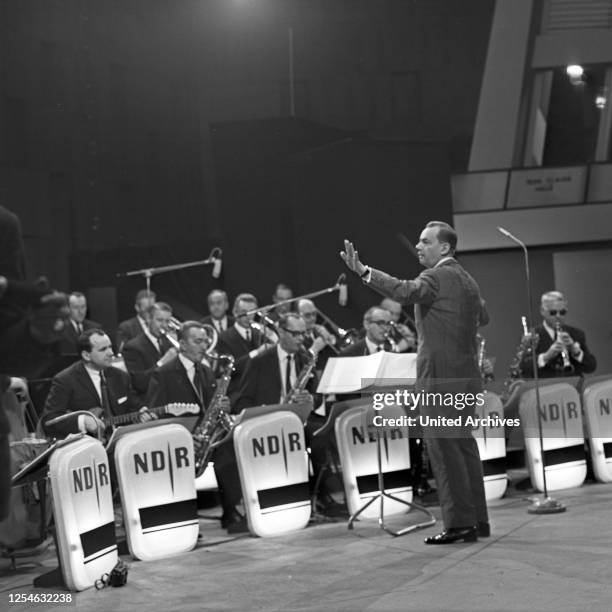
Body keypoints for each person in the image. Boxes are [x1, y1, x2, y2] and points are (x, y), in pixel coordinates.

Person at [341, 221, 490, 544]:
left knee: (444, 449)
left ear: (445, 248)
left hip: (439, 378)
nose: (419, 247)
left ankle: (459, 524)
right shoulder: (468, 280)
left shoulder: (436, 276)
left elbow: (404, 292)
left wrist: (365, 272)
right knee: (464, 447)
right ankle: (478, 520)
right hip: (466, 378)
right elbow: (483, 316)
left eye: (425, 242)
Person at [234, 313, 339, 514]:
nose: (301, 338)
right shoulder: (259, 361)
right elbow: (243, 399)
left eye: (303, 333)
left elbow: (317, 395)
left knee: (321, 437)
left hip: (298, 419)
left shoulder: (306, 358)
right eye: (296, 334)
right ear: (281, 332)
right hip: (268, 421)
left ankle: (319, 495)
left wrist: (310, 400)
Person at [146, 321, 245, 533]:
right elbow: (156, 414)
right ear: (182, 344)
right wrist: (185, 437)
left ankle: (230, 513)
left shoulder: (206, 371)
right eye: (198, 341)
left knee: (229, 454)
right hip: (179, 440)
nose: (204, 346)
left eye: (205, 341)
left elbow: (209, 405)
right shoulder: (164, 373)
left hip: (206, 437)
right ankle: (184, 522)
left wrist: (223, 406)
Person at [41, 329, 144, 439]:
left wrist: (140, 413)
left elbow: (134, 408)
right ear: (86, 355)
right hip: (85, 446)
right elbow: (49, 421)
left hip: (121, 442)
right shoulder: (65, 380)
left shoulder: (121, 376)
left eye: (110, 347)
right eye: (103, 349)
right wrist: (83, 421)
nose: (111, 353)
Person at [519, 291, 596, 379]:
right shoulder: (533, 335)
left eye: (562, 312)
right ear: (542, 311)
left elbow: (591, 367)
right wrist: (546, 356)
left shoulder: (576, 334)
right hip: (546, 389)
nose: (558, 316)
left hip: (572, 388)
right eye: (553, 312)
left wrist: (576, 351)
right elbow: (523, 368)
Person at [216, 293, 274, 404]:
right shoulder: (224, 337)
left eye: (252, 312)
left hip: (259, 393)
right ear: (235, 312)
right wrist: (257, 352)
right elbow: (229, 369)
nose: (248, 316)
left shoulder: (261, 334)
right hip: (238, 395)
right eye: (244, 312)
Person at [122, 302, 177, 399]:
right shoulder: (132, 347)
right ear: (148, 319)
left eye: (167, 321)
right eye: (160, 320)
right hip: (149, 402)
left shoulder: (168, 343)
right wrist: (163, 362)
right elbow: (139, 384)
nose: (164, 325)